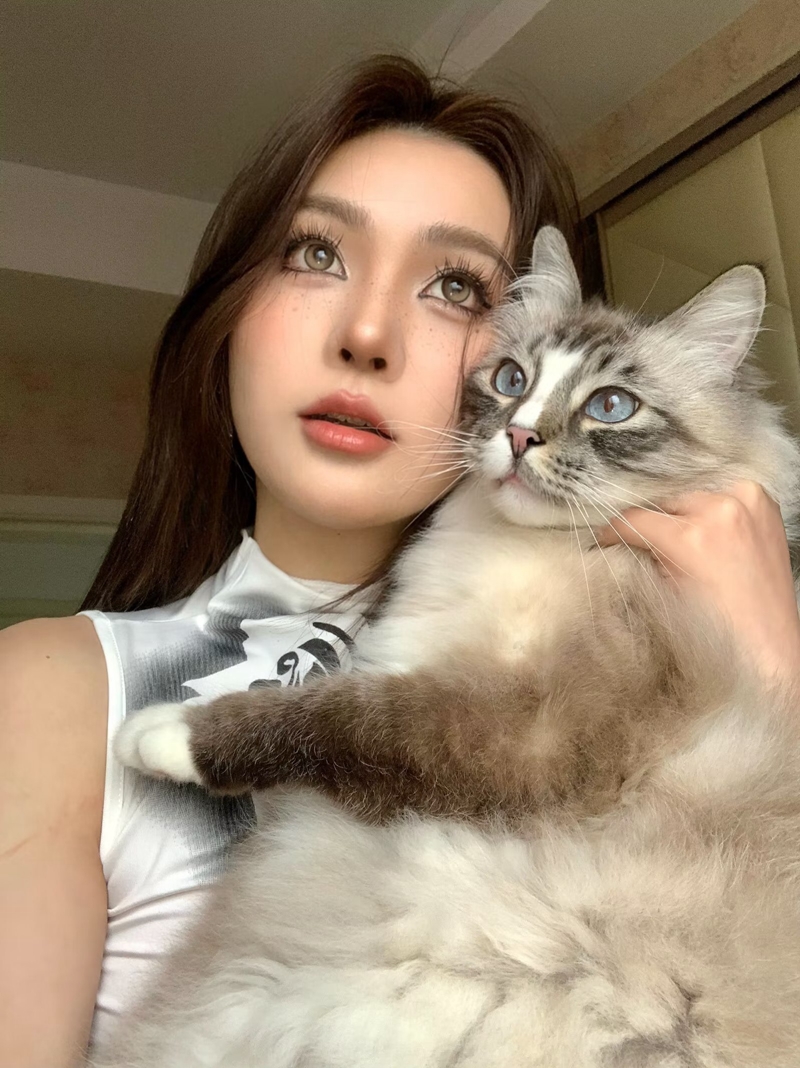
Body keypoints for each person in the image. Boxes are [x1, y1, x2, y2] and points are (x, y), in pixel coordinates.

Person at [1, 54, 798, 1068]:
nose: (367, 335)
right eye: (315, 253)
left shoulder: (636, 631)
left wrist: (768, 665)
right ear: (229, 307)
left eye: (454, 285)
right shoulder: (55, 687)